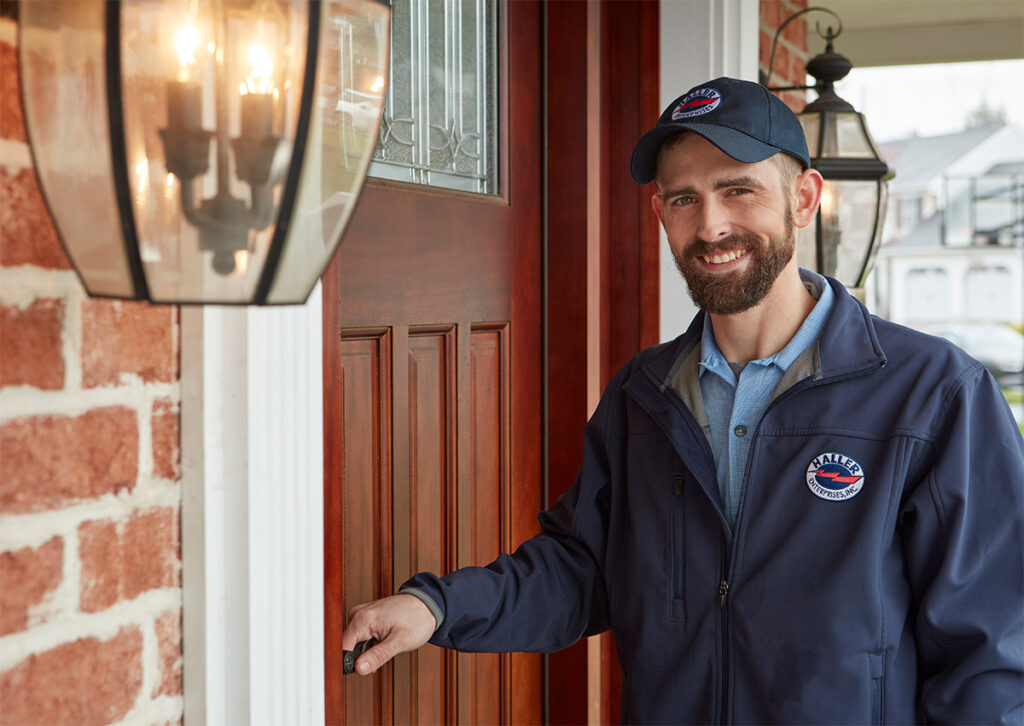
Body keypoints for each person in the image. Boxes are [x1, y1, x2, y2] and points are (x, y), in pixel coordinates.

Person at [342, 77, 1024, 723]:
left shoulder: (932, 394)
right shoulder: (645, 395)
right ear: (659, 212)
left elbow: (991, 653)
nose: (711, 226)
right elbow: (583, 569)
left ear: (805, 199)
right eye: (684, 199)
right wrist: (434, 607)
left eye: (739, 191)